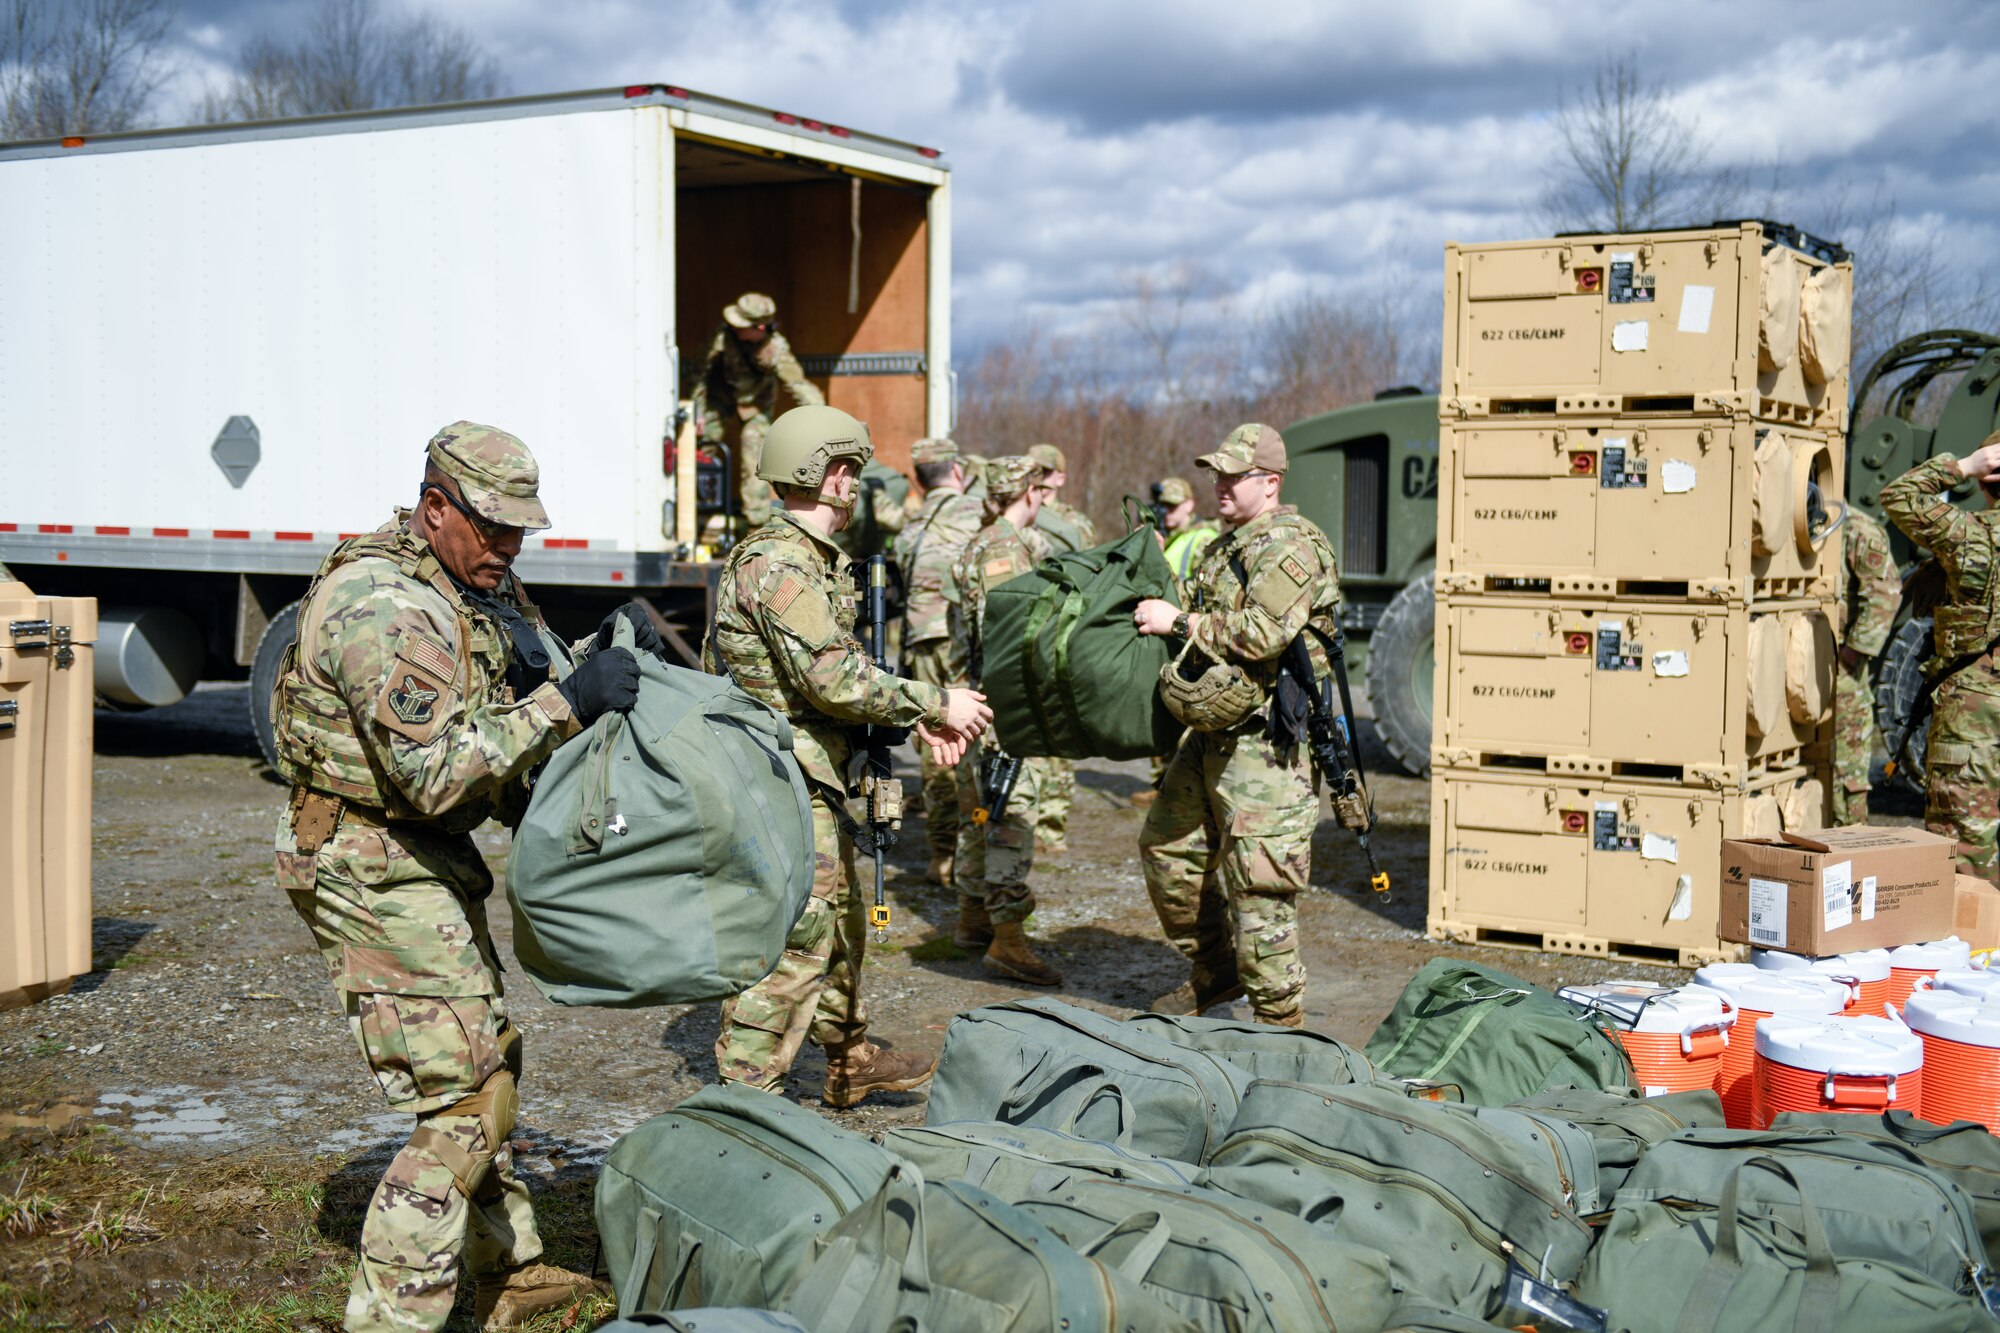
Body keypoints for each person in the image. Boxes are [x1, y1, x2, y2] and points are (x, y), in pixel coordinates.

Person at [273, 422, 647, 1331]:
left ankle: (507, 1268)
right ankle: (394, 1315)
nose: (511, 547)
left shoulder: (470, 577)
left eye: (523, 530)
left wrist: (573, 667)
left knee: (486, 1059)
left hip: (423, 849)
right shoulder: (383, 604)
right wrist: (569, 702)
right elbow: (433, 769)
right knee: (465, 1095)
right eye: (493, 527)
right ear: (436, 508)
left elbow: (506, 687)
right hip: (367, 854)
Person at [705, 405, 992, 1103]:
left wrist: (903, 724)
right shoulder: (779, 563)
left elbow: (837, 671)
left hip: (810, 772)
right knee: (790, 944)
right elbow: (831, 677)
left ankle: (846, 1056)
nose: (854, 482)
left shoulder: (806, 559)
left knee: (839, 925)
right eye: (850, 469)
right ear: (830, 474)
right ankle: (745, 1106)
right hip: (780, 781)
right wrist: (933, 702)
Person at [1131, 423, 1343, 1028]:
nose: (1219, 484)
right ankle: (1219, 975)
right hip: (1210, 733)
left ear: (1270, 484)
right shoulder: (1222, 546)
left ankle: (1281, 1026)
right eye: (1216, 474)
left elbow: (1264, 632)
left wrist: (1181, 623)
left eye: (1233, 475)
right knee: (1166, 850)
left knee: (1260, 888)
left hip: (1265, 740)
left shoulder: (1291, 545)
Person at [949, 455, 1066, 987]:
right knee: (1009, 819)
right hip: (1001, 707)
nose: (1046, 496)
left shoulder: (983, 541)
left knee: (978, 814)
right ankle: (1008, 939)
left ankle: (973, 921)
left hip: (977, 701)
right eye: (1041, 488)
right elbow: (1008, 632)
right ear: (1029, 492)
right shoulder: (1002, 549)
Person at [1882, 434, 2000, 879]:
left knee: (1966, 862)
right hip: (1970, 721)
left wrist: (1965, 465)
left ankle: (1978, 947)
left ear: (1988, 483)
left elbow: (1899, 495)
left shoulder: (1968, 535)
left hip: (1970, 720)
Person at [893, 436, 986, 887]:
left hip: (916, 644)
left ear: (917, 478)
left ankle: (940, 855)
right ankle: (973, 851)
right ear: (958, 470)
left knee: (933, 748)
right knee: (968, 743)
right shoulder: (973, 513)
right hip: (956, 640)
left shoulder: (911, 524)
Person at [691, 292, 825, 529]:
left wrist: (823, 423)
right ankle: (698, 514)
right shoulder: (722, 338)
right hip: (721, 399)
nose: (734, 327)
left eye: (741, 325)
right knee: (702, 447)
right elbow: (698, 375)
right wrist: (697, 413)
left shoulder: (775, 350)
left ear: (760, 328)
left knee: (754, 459)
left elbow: (800, 386)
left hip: (756, 405)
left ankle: (755, 527)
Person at [1025, 443, 1095, 854]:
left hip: (1062, 630)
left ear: (1059, 477)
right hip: (1028, 631)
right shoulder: (1019, 512)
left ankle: (1051, 824)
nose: (1039, 477)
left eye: (1045, 471)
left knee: (1058, 727)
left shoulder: (1074, 523)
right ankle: (1025, 817)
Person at [1832, 508, 1902, 825]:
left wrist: (1853, 652)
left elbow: (1885, 593)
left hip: (1841, 672)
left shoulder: (1855, 529)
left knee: (1845, 772)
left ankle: (1846, 856)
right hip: (1792, 666)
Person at [1157, 475, 1221, 582]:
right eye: (1162, 506)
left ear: (1189, 505)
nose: (1165, 511)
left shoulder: (1204, 538)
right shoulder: (1168, 537)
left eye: (1172, 506)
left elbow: (1205, 588)